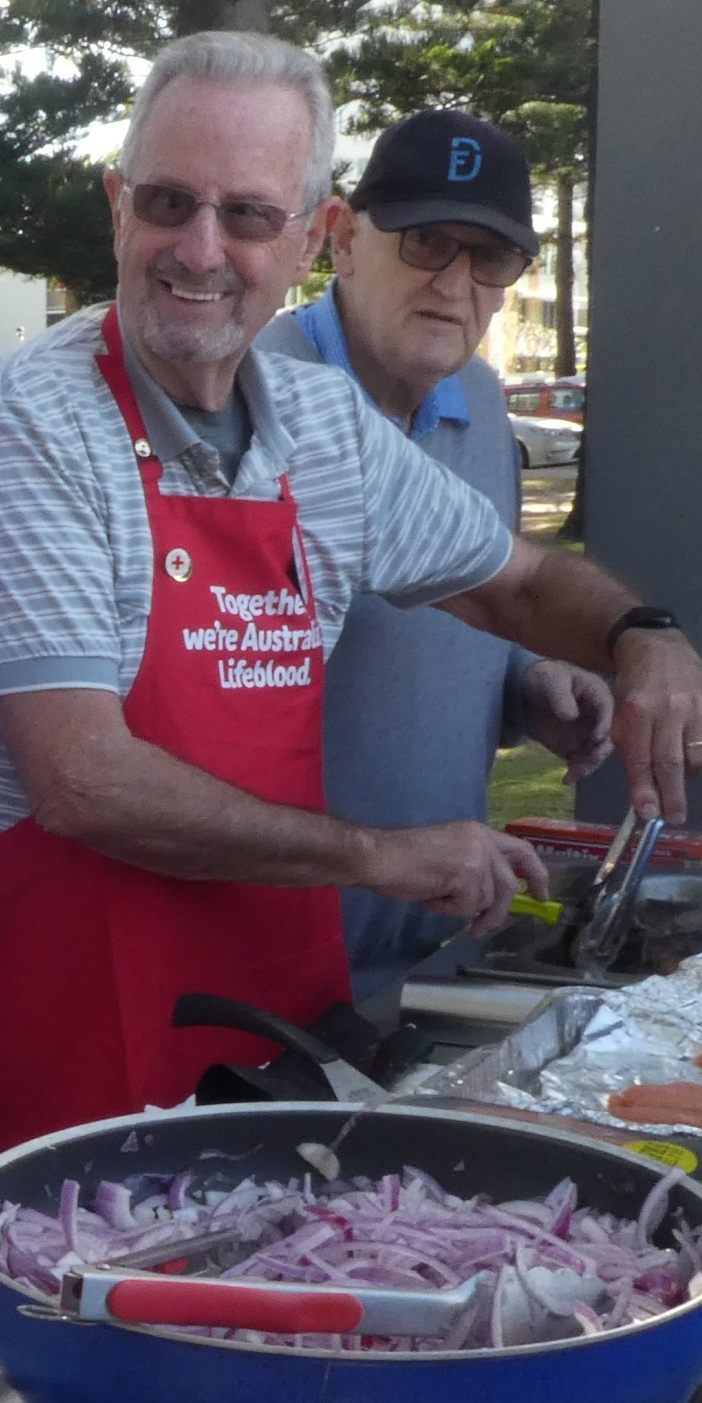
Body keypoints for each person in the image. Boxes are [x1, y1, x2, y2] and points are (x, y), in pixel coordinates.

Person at [0, 32, 702, 1250]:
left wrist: (644, 637)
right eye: (168, 203)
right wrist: (379, 854)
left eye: (248, 215)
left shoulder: (315, 421)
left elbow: (515, 583)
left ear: (306, 237)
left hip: (270, 1036)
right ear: (116, 206)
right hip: (70, 1041)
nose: (201, 250)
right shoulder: (32, 416)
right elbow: (82, 778)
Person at [255, 109, 614, 1005]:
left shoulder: (483, 403)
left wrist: (528, 684)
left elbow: (474, 602)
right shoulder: (253, 393)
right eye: (425, 242)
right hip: (260, 964)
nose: (454, 283)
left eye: (490, 258)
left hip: (434, 950)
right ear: (341, 239)